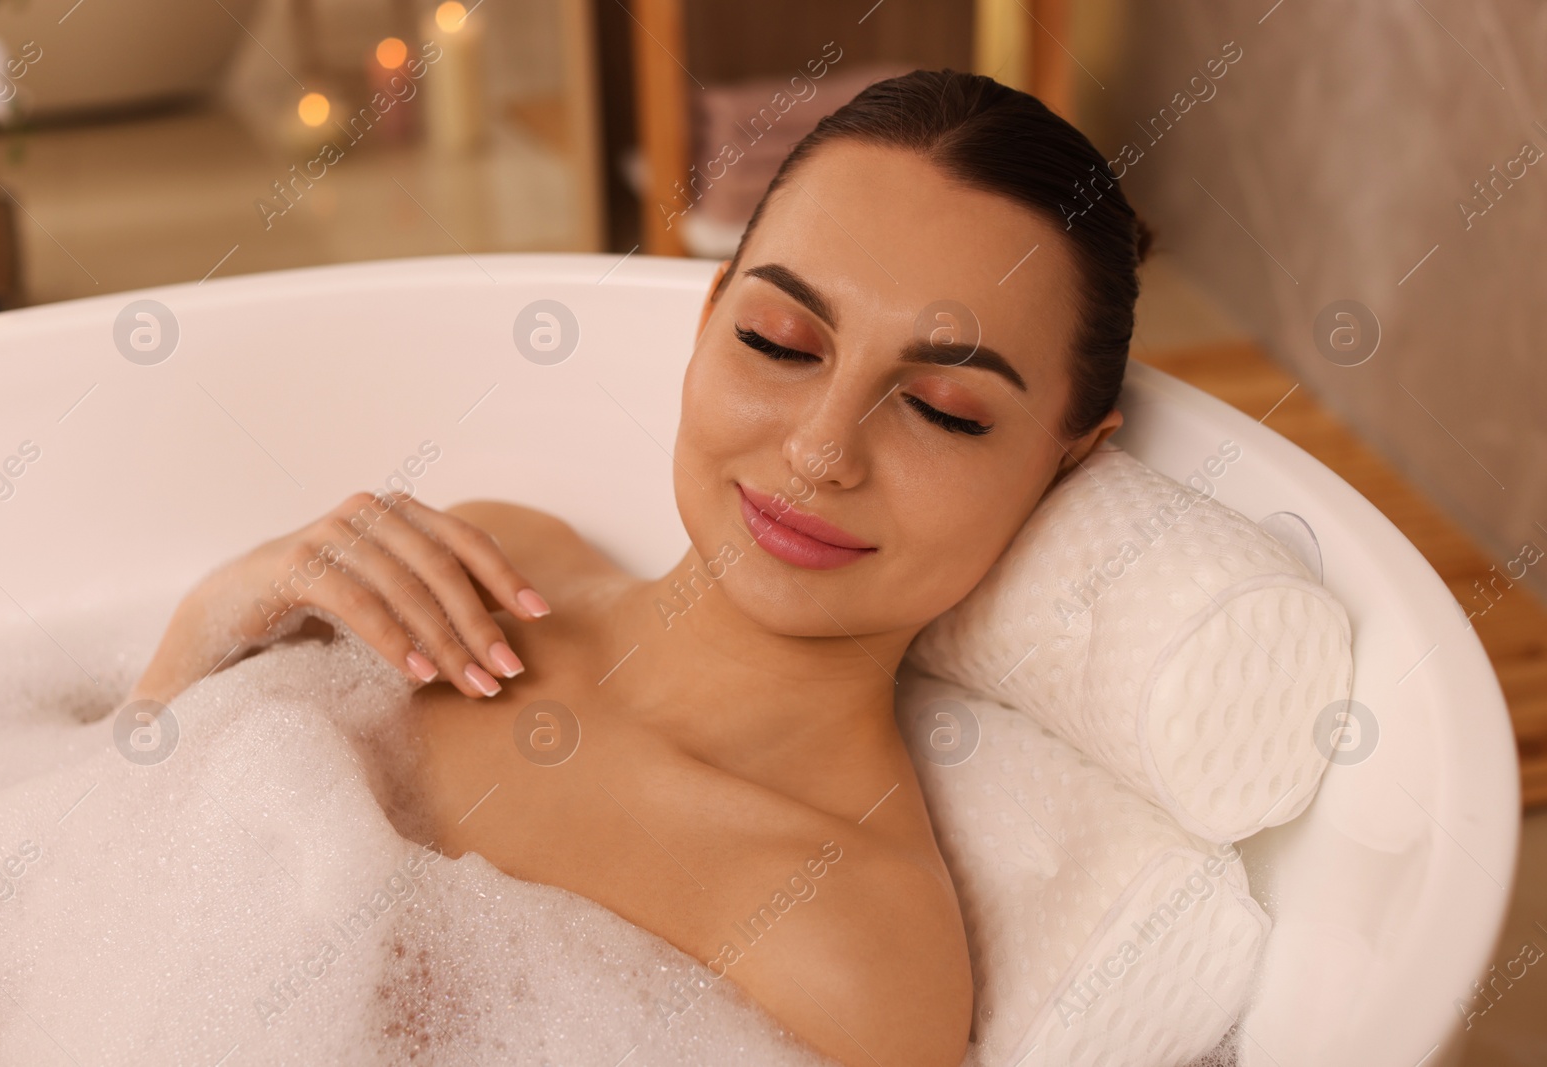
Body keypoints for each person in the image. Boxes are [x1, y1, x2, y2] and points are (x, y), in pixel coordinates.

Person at [127, 69, 1151, 1067]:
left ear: (1068, 457)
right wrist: (225, 607)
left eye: (944, 411)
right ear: (708, 318)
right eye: (780, 340)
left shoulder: (853, 957)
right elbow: (101, 833)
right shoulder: (481, 561)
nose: (822, 450)